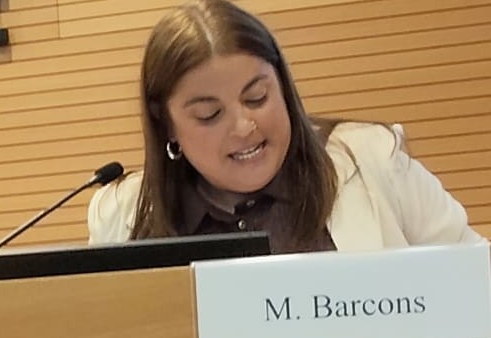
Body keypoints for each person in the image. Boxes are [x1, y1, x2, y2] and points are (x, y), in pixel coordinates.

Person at [88, 0, 484, 252]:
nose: (244, 125)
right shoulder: (121, 215)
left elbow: (477, 284)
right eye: (210, 114)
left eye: (257, 97)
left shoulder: (373, 160)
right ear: (167, 125)